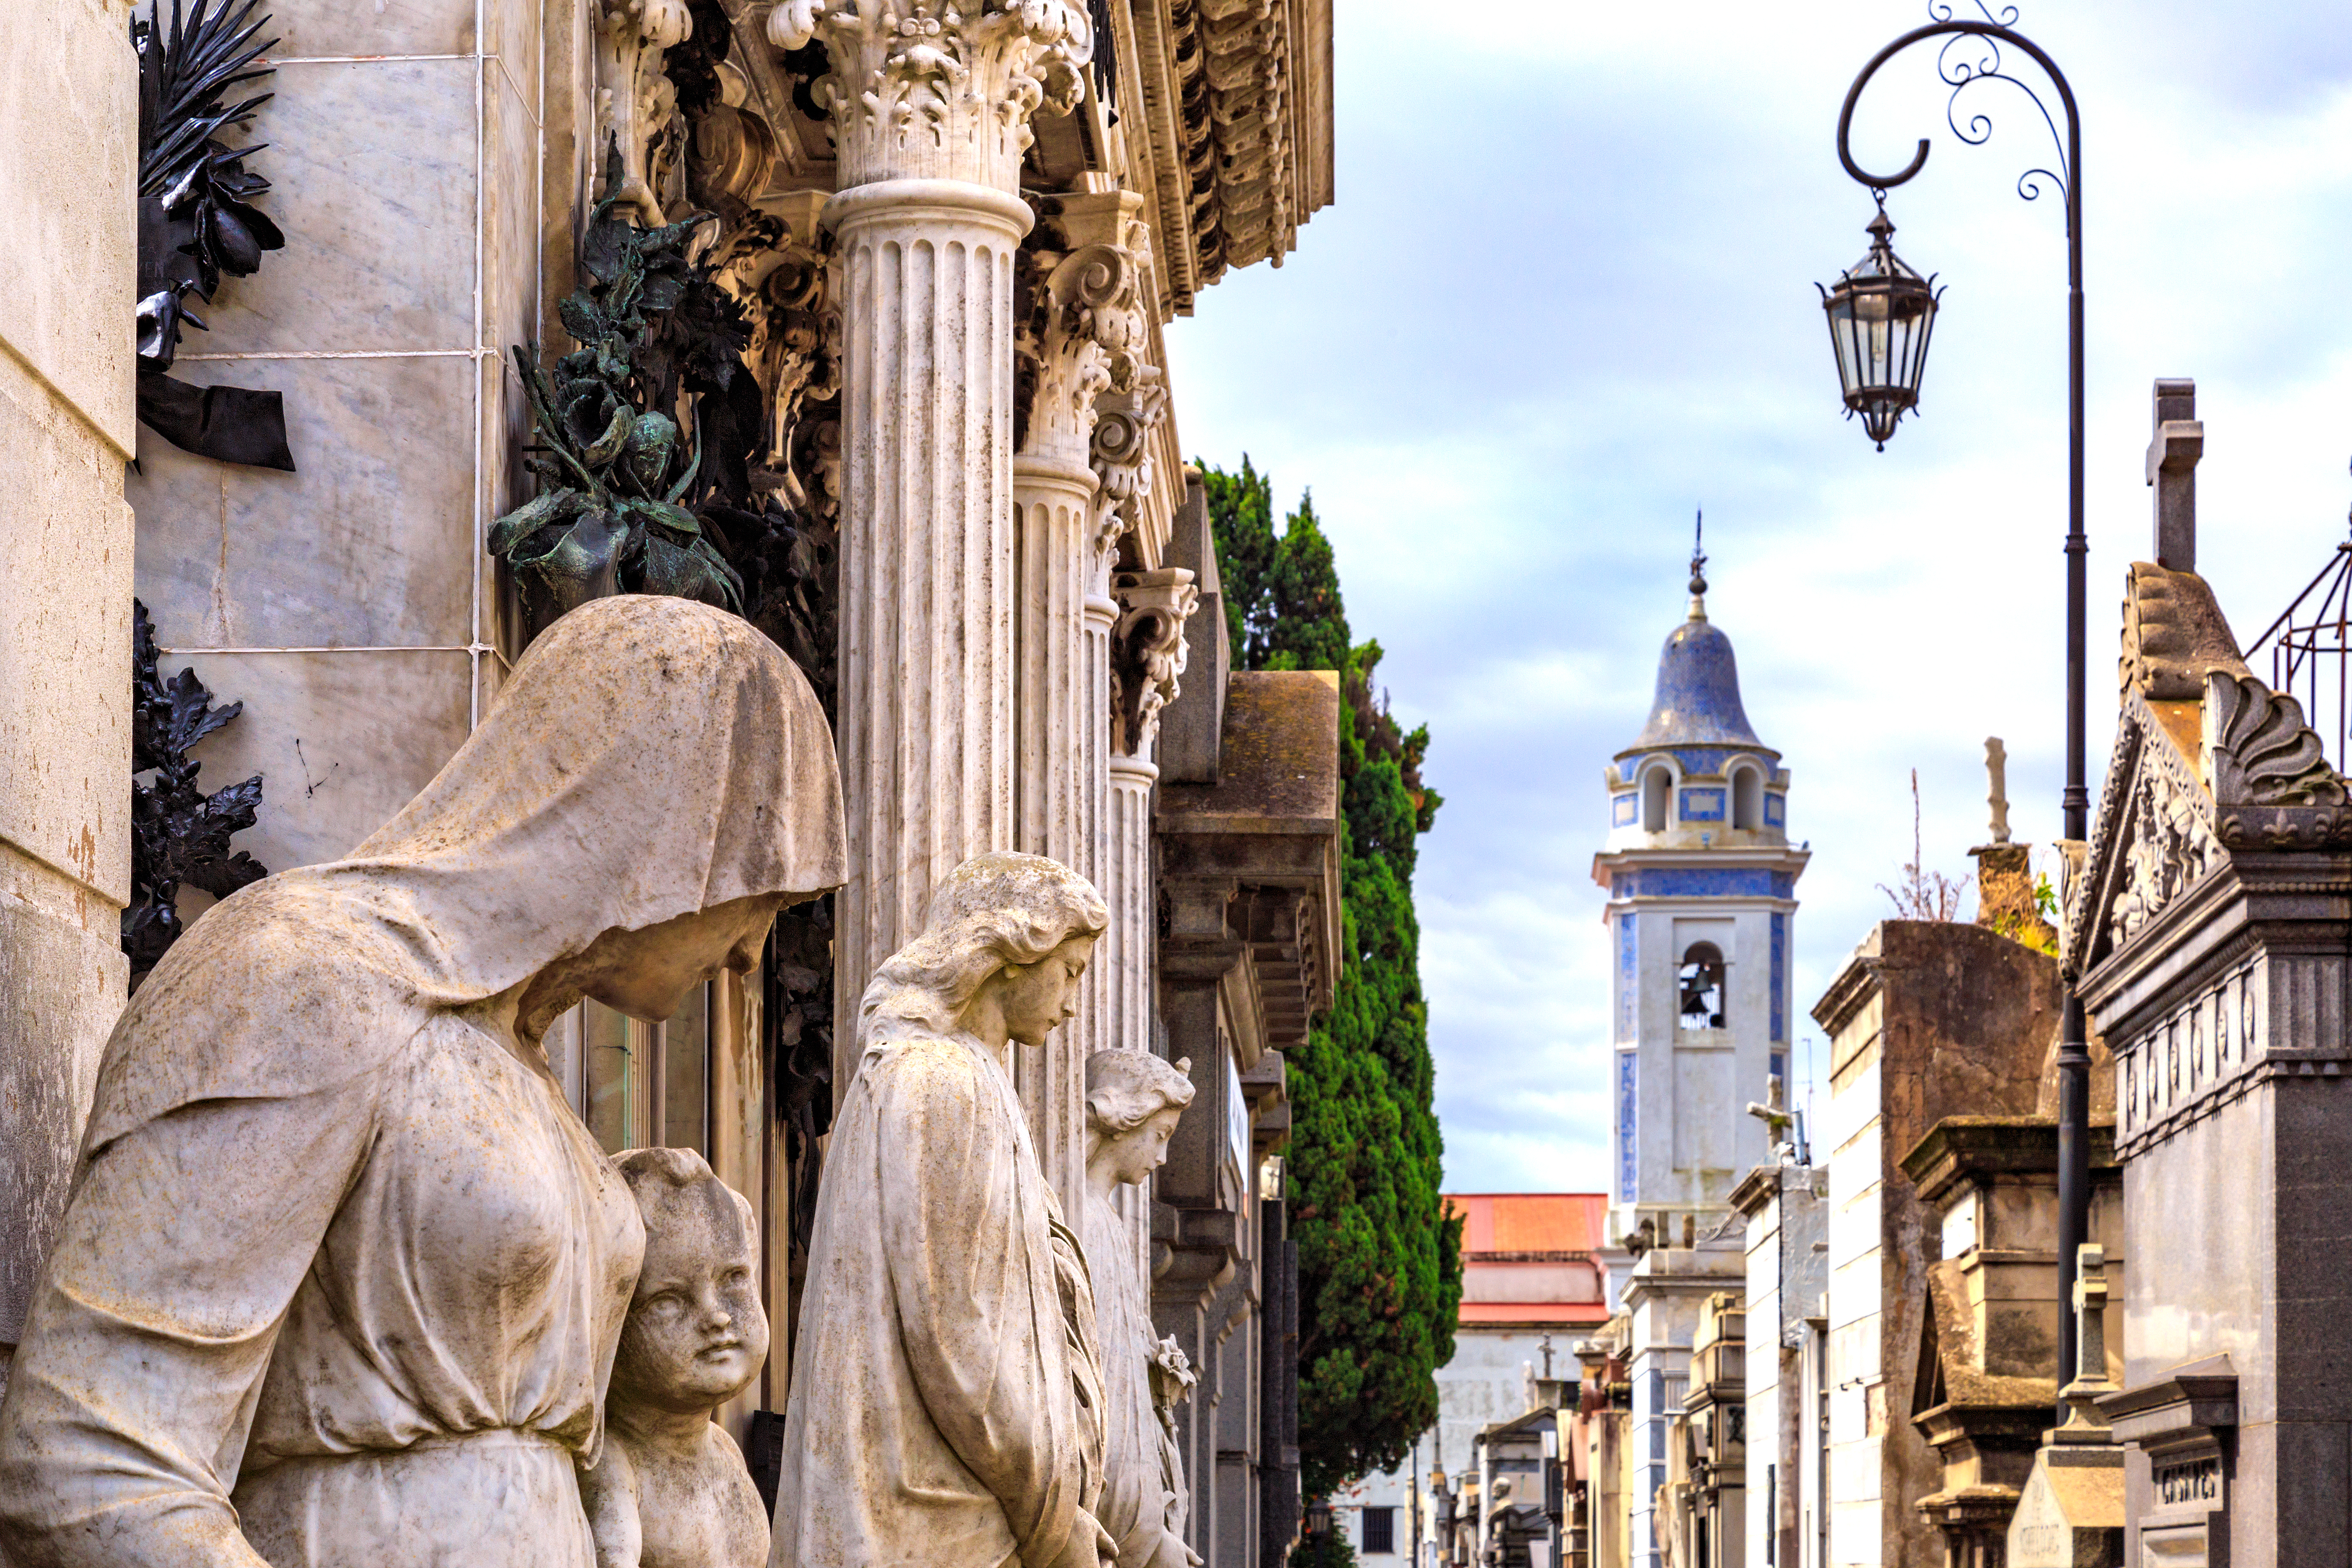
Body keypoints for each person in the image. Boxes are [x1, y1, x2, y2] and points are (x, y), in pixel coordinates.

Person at [0, 595, 844, 1568]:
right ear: (649, 824)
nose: (748, 955)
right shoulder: (309, 973)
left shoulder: (522, 1076)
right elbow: (91, 1451)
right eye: (755, 893)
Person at [772, 851, 1114, 1568]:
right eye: (1071, 970)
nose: (1074, 1002)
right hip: (933, 1518)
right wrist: (1052, 1518)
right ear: (1012, 954)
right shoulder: (942, 1083)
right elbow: (960, 1340)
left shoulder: (965, 1079)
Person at [580, 1148, 771, 1568]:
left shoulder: (724, 1449)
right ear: (611, 1322)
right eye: (669, 1301)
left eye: (734, 1280)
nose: (716, 1316)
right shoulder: (612, 1467)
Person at [1081, 1049, 1199, 1568]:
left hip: (1127, 1515)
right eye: (1162, 1135)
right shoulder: (1080, 1219)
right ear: (1121, 1121)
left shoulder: (1105, 1222)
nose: (1163, 1158)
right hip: (1104, 1509)